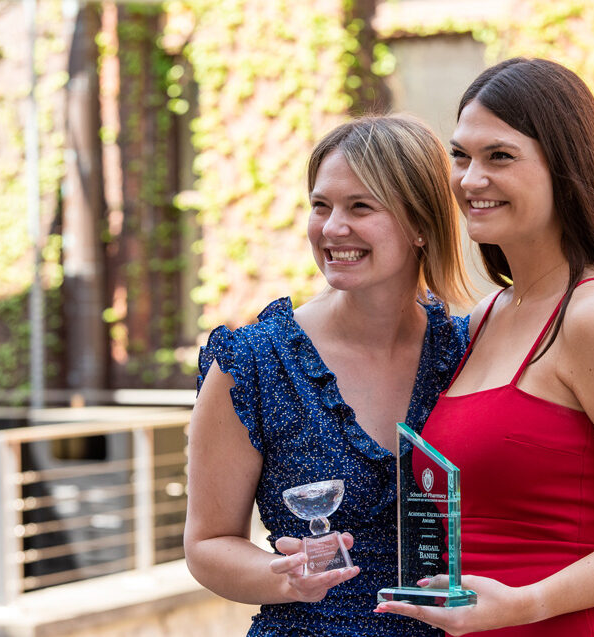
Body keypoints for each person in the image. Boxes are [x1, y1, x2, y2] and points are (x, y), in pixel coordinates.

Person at [376, 57, 594, 635]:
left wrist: (526, 603)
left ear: (565, 168)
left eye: (500, 157)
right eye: (460, 156)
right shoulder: (484, 318)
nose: (469, 179)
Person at [183, 115, 471, 636]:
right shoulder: (252, 362)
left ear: (421, 224)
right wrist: (284, 578)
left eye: (361, 206)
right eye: (321, 206)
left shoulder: (472, 349)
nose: (332, 228)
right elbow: (207, 544)